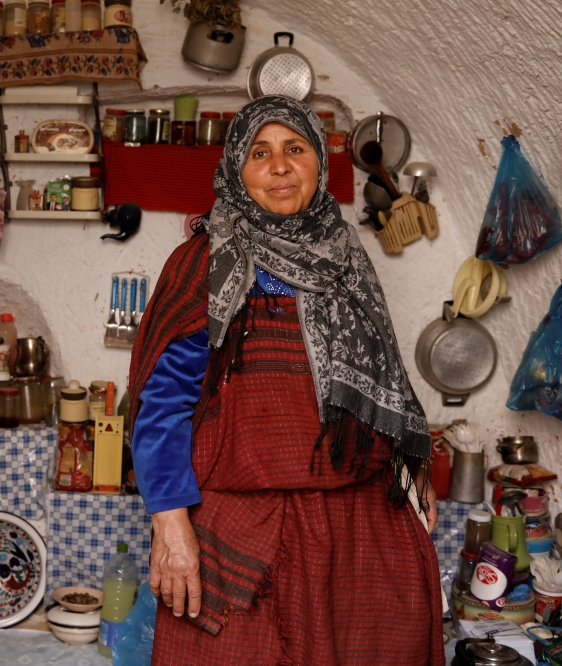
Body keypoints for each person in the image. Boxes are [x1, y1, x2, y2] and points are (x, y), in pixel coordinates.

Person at [128, 97, 444, 665]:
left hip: (356, 526)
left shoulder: (347, 260)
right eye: (259, 153)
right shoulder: (203, 262)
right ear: (235, 170)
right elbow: (162, 405)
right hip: (240, 528)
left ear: (319, 164)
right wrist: (170, 523)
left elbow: (382, 381)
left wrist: (406, 458)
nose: (279, 166)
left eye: (294, 149)